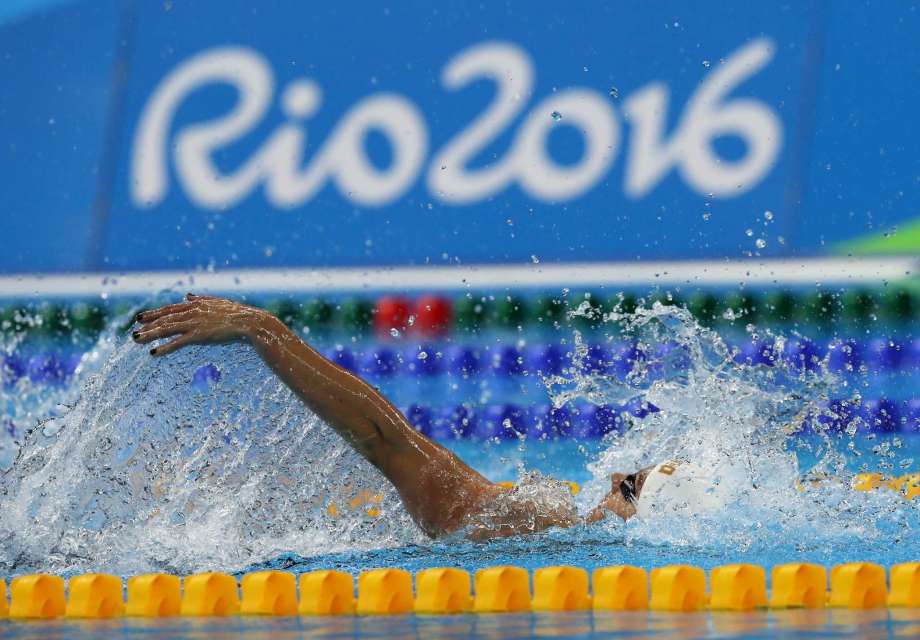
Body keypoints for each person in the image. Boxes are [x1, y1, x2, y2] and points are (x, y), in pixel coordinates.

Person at [133, 294, 695, 540]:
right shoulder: (520, 522)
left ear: (626, 504)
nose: (613, 470)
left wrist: (265, 329)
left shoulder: (526, 522)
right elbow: (386, 440)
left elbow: (386, 440)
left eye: (629, 479)